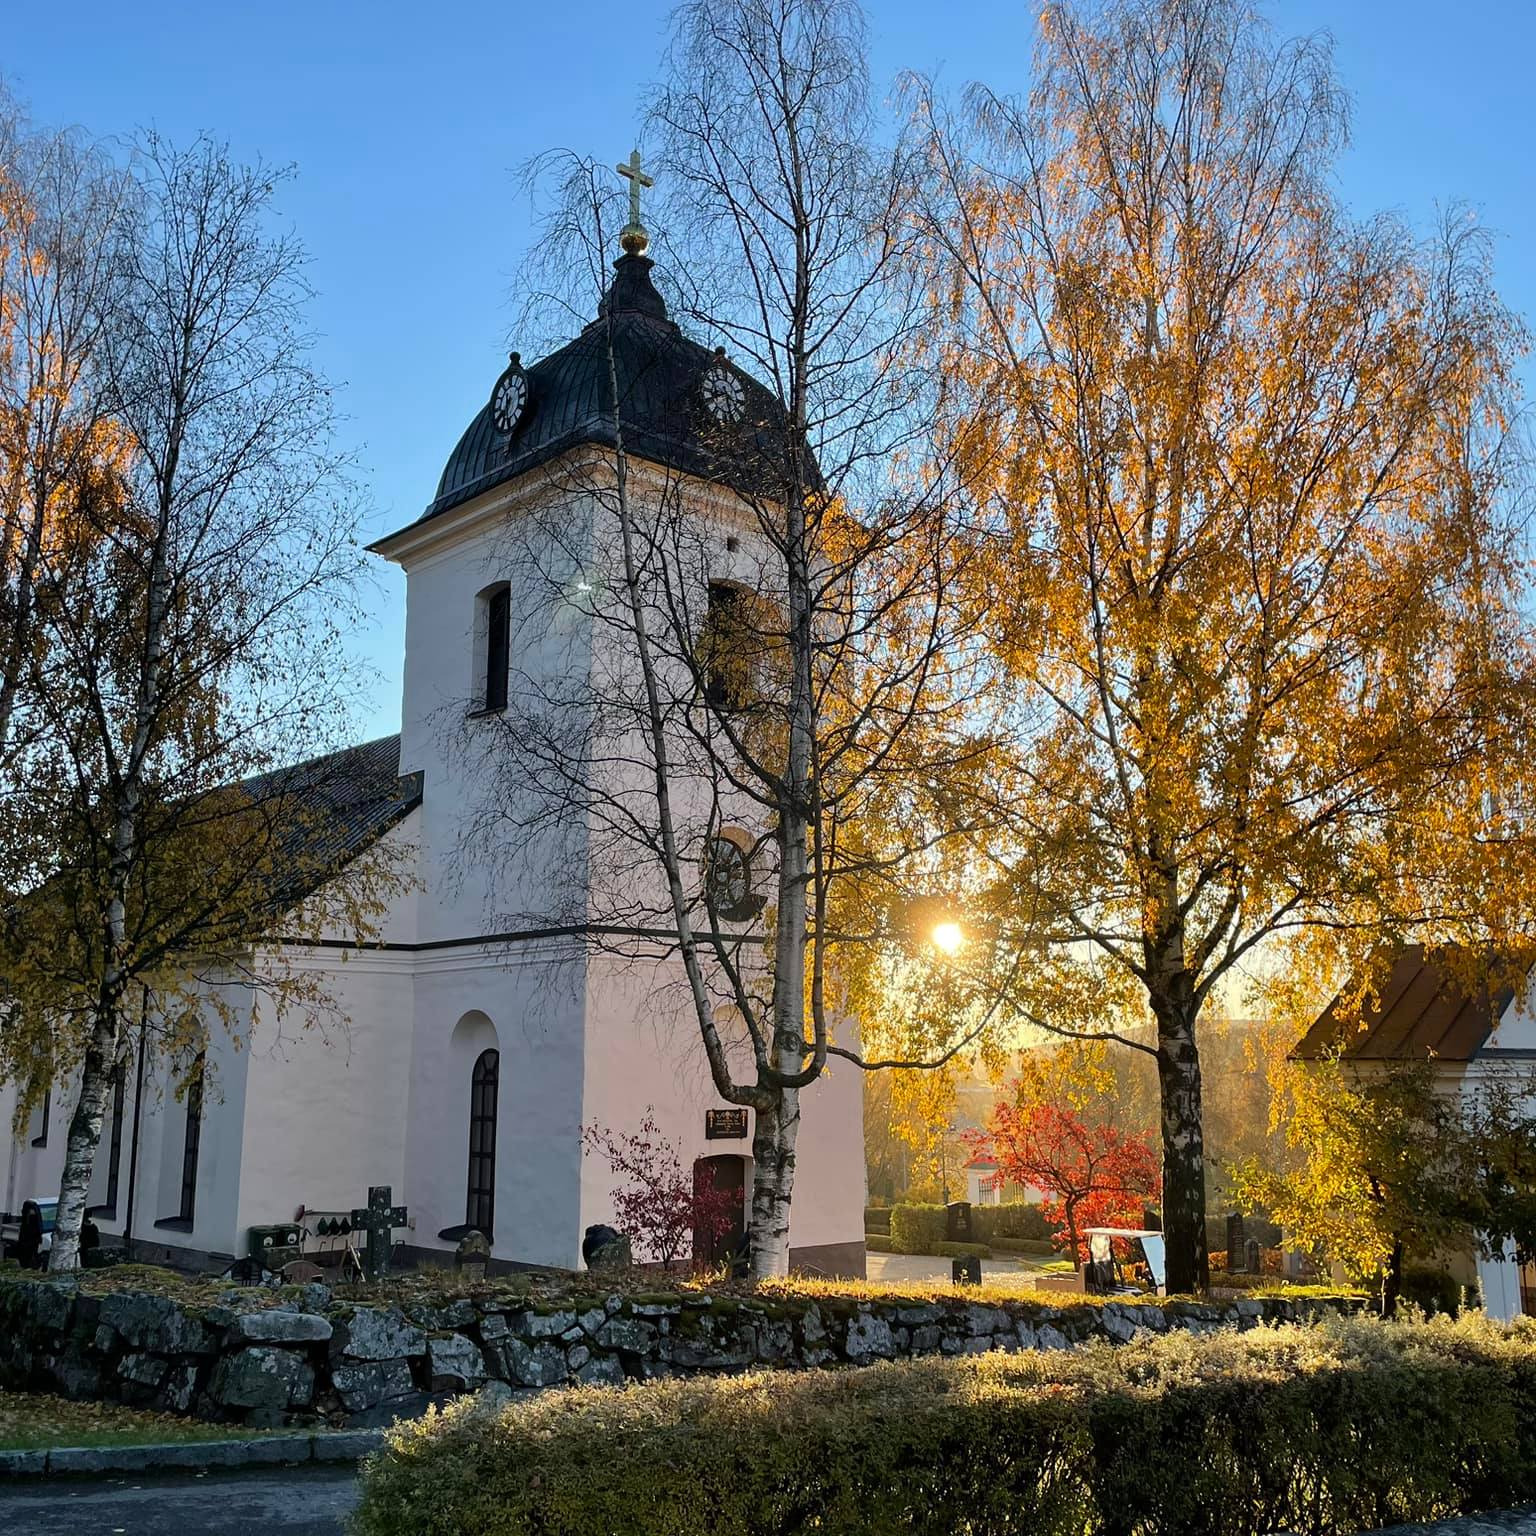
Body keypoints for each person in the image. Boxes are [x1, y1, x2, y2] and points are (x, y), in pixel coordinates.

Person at [16, 1200, 44, 1270]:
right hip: (27, 1241)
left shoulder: (32, 1219)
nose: (32, 1212)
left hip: (31, 1241)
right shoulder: (28, 1219)